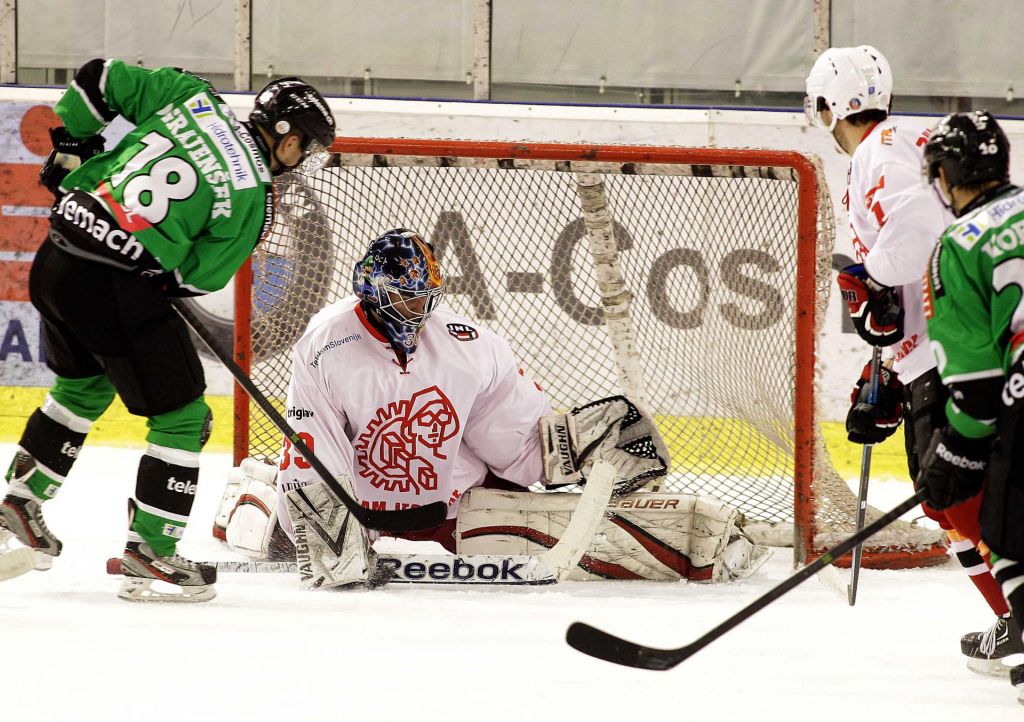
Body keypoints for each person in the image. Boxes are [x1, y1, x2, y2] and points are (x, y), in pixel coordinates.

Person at [0, 58, 336, 602]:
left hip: (57, 259)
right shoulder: (252, 194)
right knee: (184, 417)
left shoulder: (191, 96)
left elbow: (96, 78)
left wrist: (74, 146)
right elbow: (197, 277)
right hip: (113, 286)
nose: (304, 161)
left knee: (83, 388)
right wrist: (154, 266)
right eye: (308, 147)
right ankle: (152, 549)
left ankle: (20, 500)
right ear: (284, 136)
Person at [217, 228, 675, 588]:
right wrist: (331, 535)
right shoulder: (324, 347)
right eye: (405, 298)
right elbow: (317, 448)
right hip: (358, 509)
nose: (417, 310)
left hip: (454, 506)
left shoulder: (470, 347)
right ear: (373, 291)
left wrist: (572, 452)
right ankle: (250, 495)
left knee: (549, 536)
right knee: (279, 542)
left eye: (424, 298)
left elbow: (508, 436)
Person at [805, 45, 1019, 672]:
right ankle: (1015, 617)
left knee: (961, 497)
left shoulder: (878, 148)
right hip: (941, 351)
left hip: (957, 357)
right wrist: (885, 370)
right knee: (951, 500)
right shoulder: (900, 142)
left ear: (829, 106)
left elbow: (924, 231)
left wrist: (868, 276)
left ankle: (1019, 617)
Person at [918, 109, 1024, 701]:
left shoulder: (959, 243)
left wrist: (956, 450)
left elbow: (979, 385)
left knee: (1004, 528)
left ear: (951, 172)